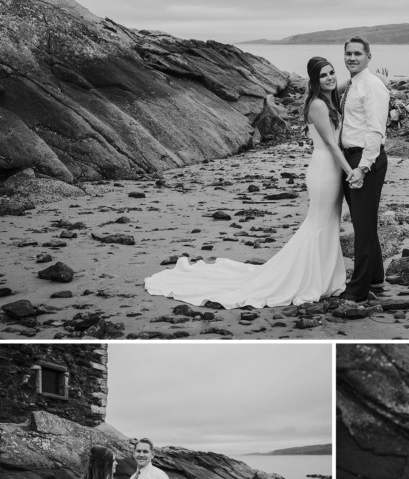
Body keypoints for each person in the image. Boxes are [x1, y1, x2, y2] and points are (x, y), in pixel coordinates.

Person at [143, 56, 355, 308]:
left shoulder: (327, 99)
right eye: (323, 75)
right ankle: (308, 279)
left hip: (330, 170)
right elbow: (331, 144)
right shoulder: (319, 105)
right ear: (314, 80)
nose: (330, 78)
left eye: (332, 73)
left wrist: (362, 78)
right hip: (324, 170)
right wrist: (350, 170)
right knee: (319, 225)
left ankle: (324, 277)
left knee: (329, 224)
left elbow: (341, 88)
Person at [337, 36, 390, 302]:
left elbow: (375, 130)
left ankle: (357, 290)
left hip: (365, 160)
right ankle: (376, 278)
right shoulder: (353, 84)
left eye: (358, 53)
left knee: (363, 227)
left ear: (369, 57)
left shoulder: (372, 85)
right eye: (348, 53)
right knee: (364, 223)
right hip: (351, 158)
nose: (352, 58)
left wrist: (363, 167)